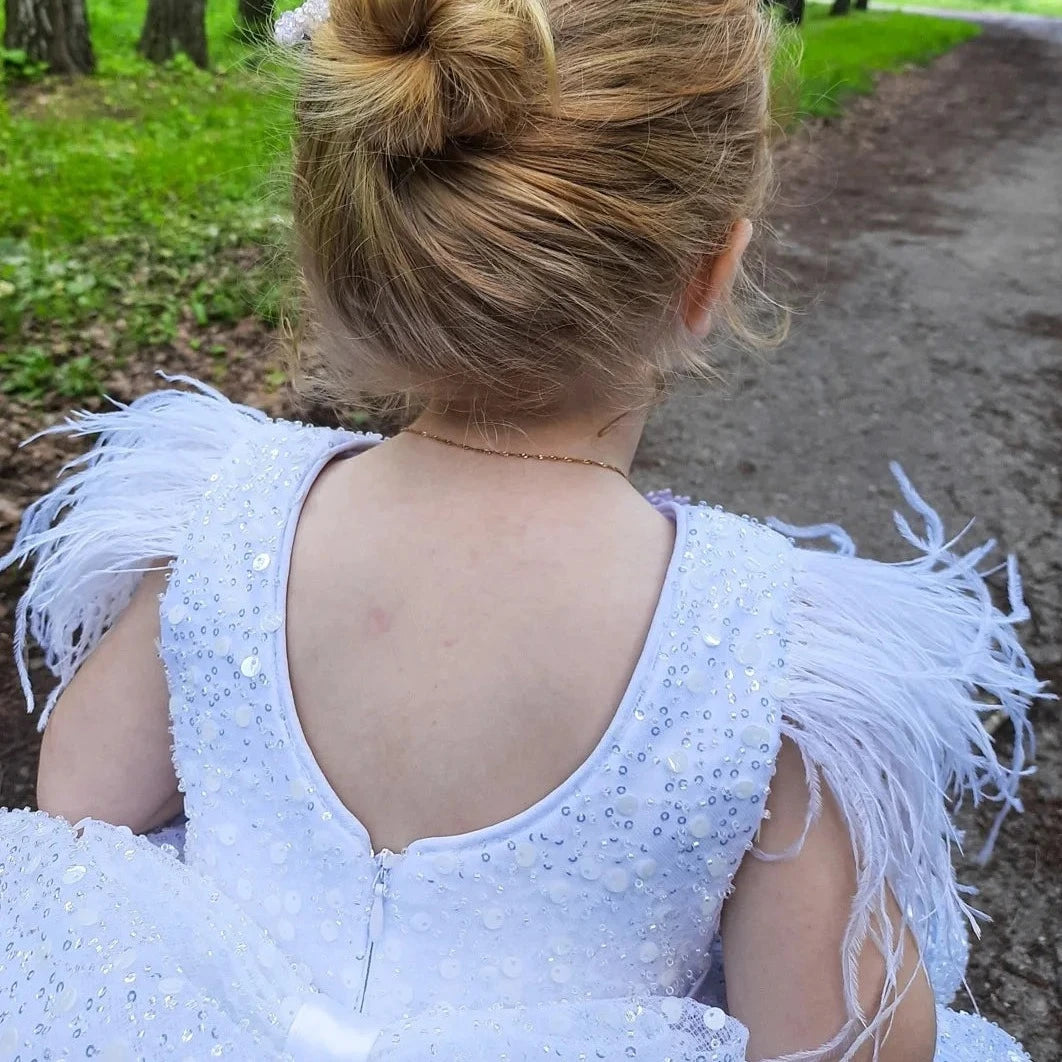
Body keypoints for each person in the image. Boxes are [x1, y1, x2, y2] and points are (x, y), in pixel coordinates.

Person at [0, 0, 1045, 1058]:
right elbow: (843, 1040)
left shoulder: (225, 514)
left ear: (344, 254)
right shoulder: (769, 650)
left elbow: (84, 803)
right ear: (709, 277)